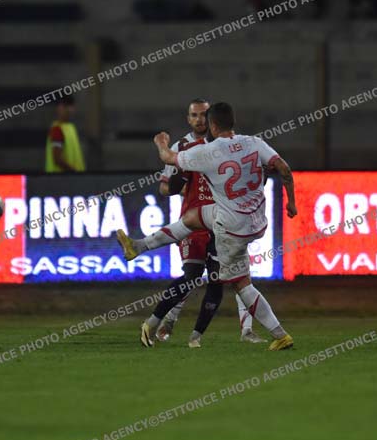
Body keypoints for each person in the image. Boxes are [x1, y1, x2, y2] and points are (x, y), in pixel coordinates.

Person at [117, 102, 297, 351]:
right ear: (233, 121)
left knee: (241, 284)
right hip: (254, 219)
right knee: (193, 218)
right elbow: (283, 168)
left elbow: (168, 158)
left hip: (231, 227)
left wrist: (161, 142)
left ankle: (280, 335)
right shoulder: (254, 142)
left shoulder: (208, 152)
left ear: (212, 125)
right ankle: (138, 246)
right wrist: (291, 203)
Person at [154, 99, 264, 347]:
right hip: (195, 221)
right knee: (191, 275)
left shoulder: (228, 145)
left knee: (238, 274)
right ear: (188, 119)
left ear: (212, 118)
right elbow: (164, 187)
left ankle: (247, 330)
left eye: (204, 114)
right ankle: (169, 319)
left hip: (226, 220)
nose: (199, 120)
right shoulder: (182, 147)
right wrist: (189, 190)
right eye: (194, 115)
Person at [45, 95, 85, 173]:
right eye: (66, 106)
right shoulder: (57, 130)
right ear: (59, 108)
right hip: (60, 179)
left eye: (71, 106)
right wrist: (74, 172)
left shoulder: (71, 128)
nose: (70, 110)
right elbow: (57, 159)